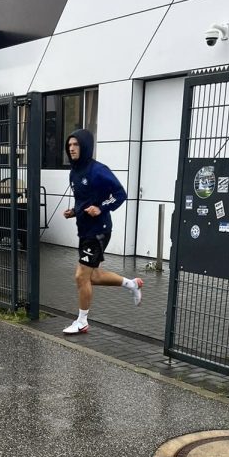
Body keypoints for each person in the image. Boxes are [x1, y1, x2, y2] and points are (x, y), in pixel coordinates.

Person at [61, 129, 143, 335]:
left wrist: (101, 208)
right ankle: (131, 284)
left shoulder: (98, 170)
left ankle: (82, 322)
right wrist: (74, 211)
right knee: (94, 276)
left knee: (81, 276)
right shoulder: (74, 171)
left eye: (76, 145)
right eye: (69, 145)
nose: (71, 148)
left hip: (99, 230)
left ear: (85, 146)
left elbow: (120, 193)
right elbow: (84, 200)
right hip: (85, 229)